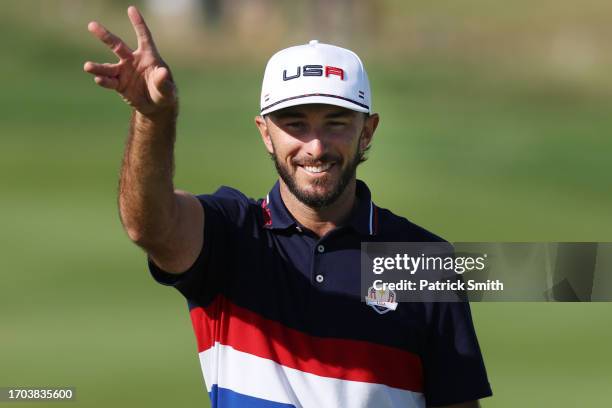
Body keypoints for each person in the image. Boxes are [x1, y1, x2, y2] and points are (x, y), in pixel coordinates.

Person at [84, 6, 492, 408]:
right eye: (295, 124)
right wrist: (154, 117)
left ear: (367, 132)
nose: (315, 146)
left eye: (335, 123)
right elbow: (150, 227)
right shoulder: (233, 235)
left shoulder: (423, 263)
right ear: (265, 133)